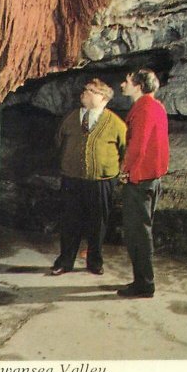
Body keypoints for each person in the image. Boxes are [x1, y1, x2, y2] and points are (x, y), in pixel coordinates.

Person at [51, 78, 127, 276]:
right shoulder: (71, 118)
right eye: (85, 89)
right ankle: (65, 261)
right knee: (69, 221)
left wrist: (115, 171)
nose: (84, 92)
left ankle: (94, 262)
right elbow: (58, 141)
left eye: (91, 90)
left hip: (101, 181)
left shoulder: (115, 123)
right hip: (72, 179)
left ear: (103, 97)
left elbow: (125, 148)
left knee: (98, 222)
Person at [117, 68, 169, 298]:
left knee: (137, 233)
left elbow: (138, 145)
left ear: (138, 85)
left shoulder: (145, 109)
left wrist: (124, 170)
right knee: (142, 230)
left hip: (140, 179)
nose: (123, 85)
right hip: (152, 178)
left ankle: (144, 284)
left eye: (127, 81)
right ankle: (143, 280)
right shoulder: (157, 106)